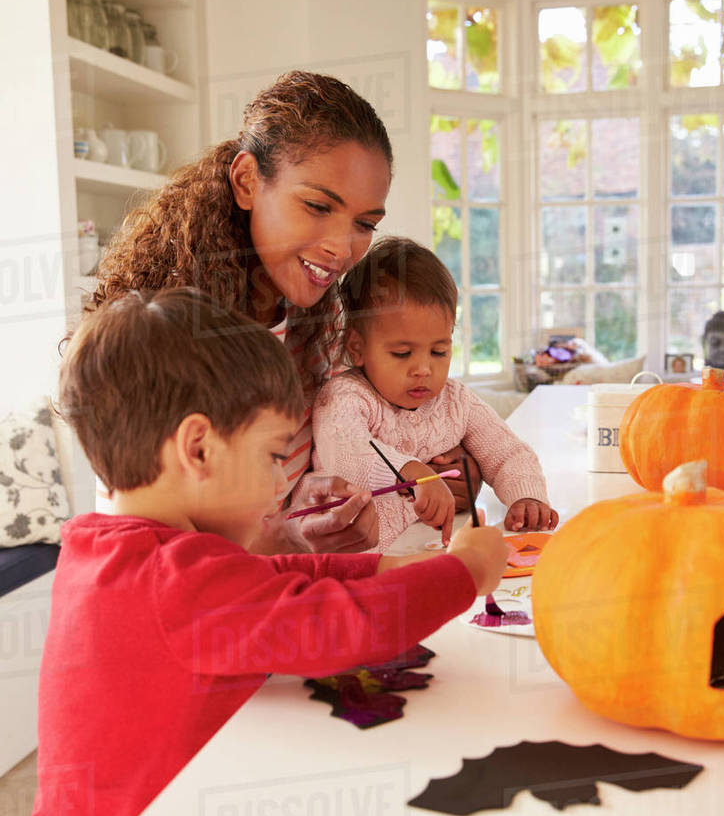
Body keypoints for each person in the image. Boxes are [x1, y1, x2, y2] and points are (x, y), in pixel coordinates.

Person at [28, 289, 507, 816]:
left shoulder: (117, 551)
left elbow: (270, 581)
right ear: (198, 448)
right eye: (273, 455)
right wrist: (462, 573)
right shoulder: (172, 581)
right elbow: (340, 629)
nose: (282, 479)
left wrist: (383, 566)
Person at [91, 71, 481, 554]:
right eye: (317, 206)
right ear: (247, 180)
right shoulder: (166, 339)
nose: (341, 248)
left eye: (364, 224)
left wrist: (302, 523)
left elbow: (361, 429)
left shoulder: (320, 320)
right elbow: (157, 549)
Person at [307, 238, 559, 550]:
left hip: (426, 549)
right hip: (356, 558)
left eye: (439, 351)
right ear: (357, 348)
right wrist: (410, 472)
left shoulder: (456, 402)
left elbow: (507, 452)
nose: (423, 369)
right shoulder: (345, 396)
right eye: (402, 353)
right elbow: (343, 452)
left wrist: (527, 495)